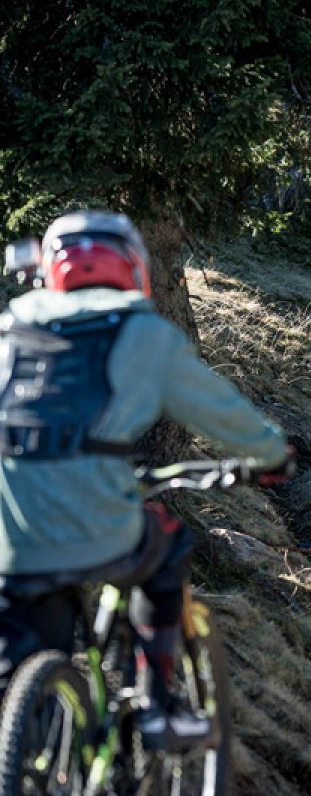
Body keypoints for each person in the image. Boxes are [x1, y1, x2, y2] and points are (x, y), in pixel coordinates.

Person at [0, 211, 291, 750]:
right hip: (99, 524)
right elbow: (220, 410)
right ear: (133, 268)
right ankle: (157, 706)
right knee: (166, 546)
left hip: (12, 533)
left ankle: (27, 756)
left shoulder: (11, 332)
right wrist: (272, 455)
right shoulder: (142, 334)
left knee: (18, 664)